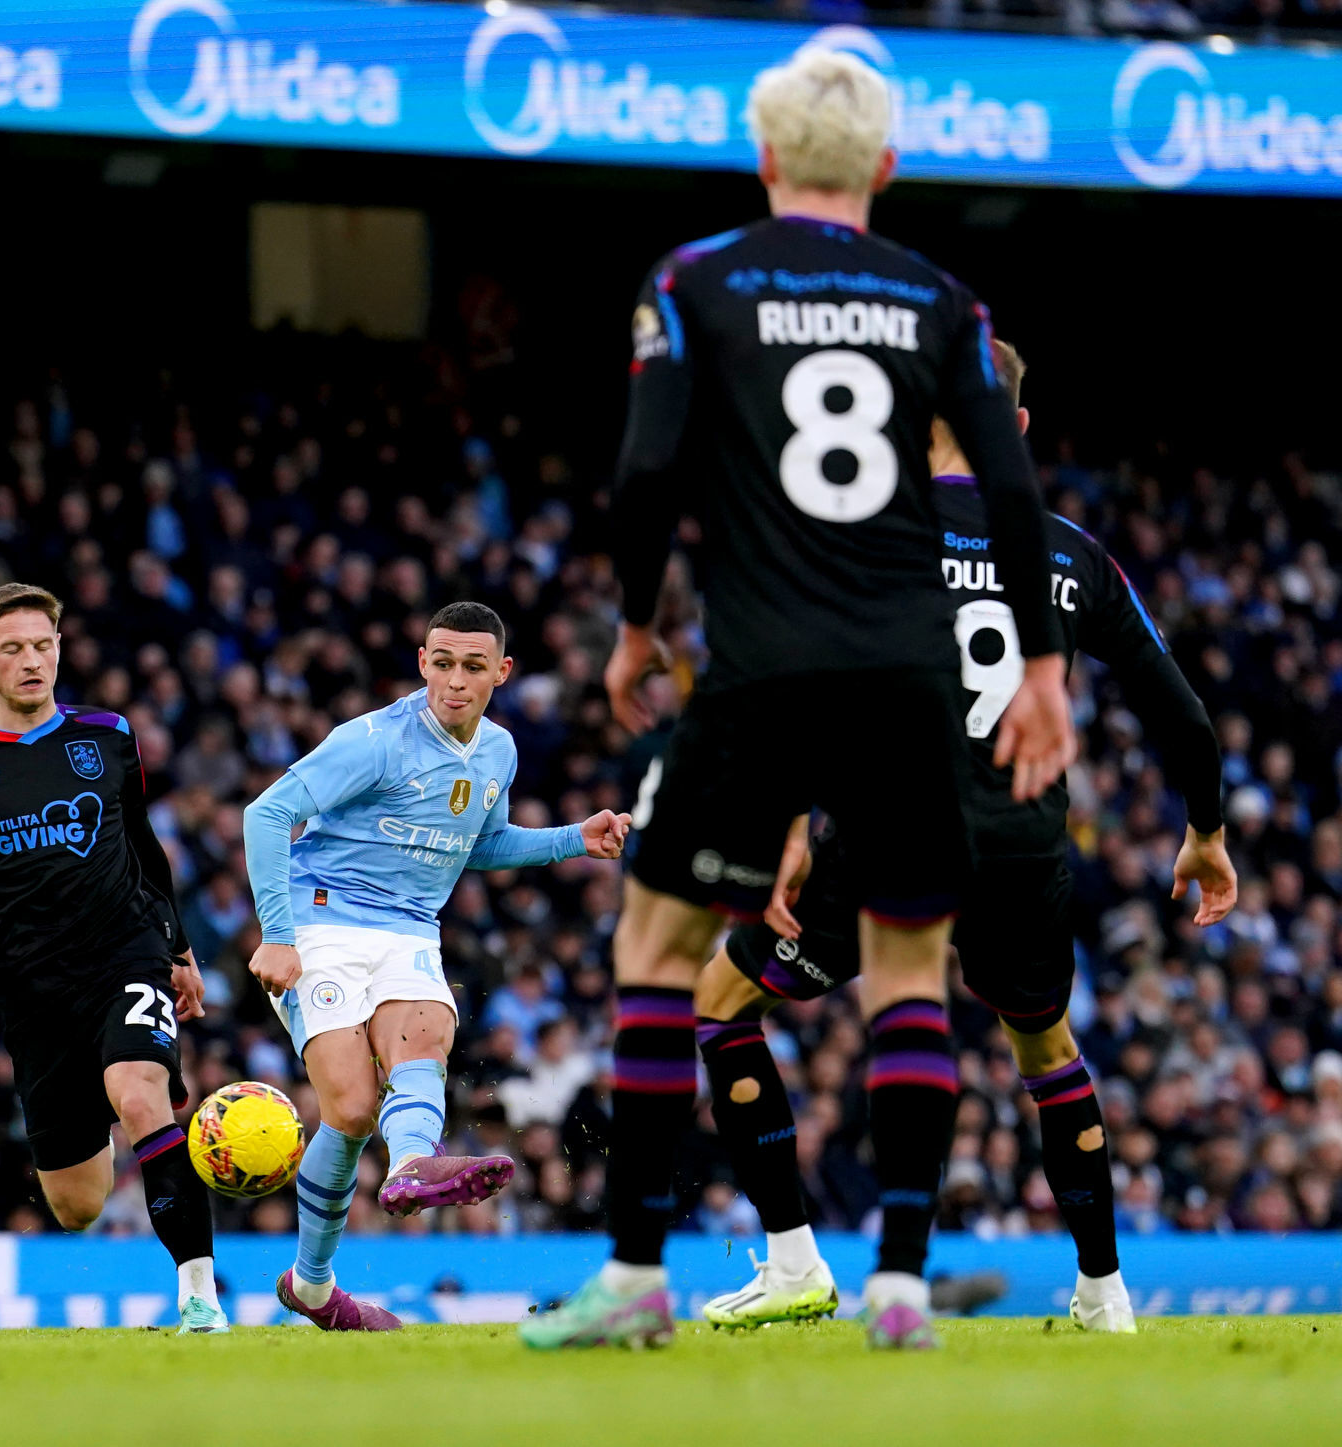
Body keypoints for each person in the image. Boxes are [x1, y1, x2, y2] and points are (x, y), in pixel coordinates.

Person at [522, 48, 1075, 1353]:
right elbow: (1005, 485)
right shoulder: (943, 299)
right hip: (901, 681)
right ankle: (896, 1284)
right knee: (905, 976)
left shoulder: (694, 279)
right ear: (886, 167)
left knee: (660, 956)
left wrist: (637, 624)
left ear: (761, 159)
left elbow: (647, 466)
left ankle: (639, 1269)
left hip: (759, 668)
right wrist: (1045, 667)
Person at [695, 340, 1237, 1335]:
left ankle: (792, 1264)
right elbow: (1181, 716)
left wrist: (781, 820)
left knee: (721, 1004)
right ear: (1014, 429)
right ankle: (1104, 1295)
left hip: (884, 828)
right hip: (1022, 845)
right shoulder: (1069, 552)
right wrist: (1203, 831)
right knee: (1044, 1050)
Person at [244, 601, 630, 1331]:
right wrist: (278, 933)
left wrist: (576, 837)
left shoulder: (498, 752)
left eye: (473, 667)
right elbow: (266, 813)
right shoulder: (372, 741)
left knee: (424, 1034)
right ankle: (316, 1284)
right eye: (442, 663)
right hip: (321, 918)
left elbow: (478, 844)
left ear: (501, 674)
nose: (455, 681)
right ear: (423, 662)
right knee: (352, 1108)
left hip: (411, 928)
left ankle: (410, 1167)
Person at [0, 582, 224, 1333]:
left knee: (142, 1094)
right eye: (14, 648)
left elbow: (145, 848)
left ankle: (200, 1298)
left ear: (60, 648)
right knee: (78, 1203)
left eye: (44, 646)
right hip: (34, 989)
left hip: (125, 950)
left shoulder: (109, 735)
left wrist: (178, 946)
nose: (32, 661)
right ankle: (135, 1146)